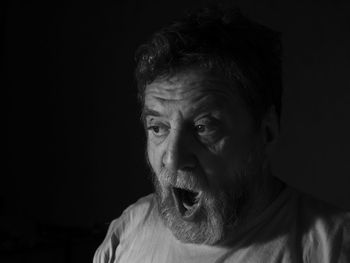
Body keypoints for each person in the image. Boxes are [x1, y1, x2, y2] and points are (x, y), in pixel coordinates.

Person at [93, 6, 349, 263]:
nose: (172, 159)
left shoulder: (334, 245)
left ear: (266, 132)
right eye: (158, 128)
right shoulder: (129, 231)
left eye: (204, 127)